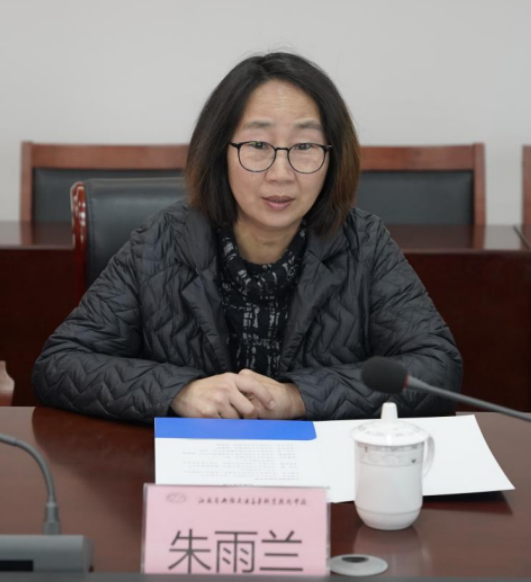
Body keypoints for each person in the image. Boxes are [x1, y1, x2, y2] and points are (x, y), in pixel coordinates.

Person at [32, 52, 462, 423]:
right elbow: (59, 364)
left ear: (333, 157)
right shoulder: (160, 241)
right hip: (193, 475)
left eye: (305, 147)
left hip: (322, 478)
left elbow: (438, 368)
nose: (281, 173)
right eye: (258, 145)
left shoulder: (363, 244)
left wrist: (299, 398)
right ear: (219, 151)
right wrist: (180, 391)